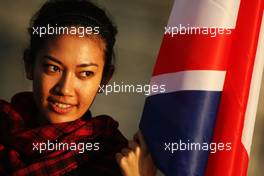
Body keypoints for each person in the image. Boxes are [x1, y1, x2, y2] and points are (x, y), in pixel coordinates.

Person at [0, 0, 156, 175]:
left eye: (85, 73)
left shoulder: (116, 162)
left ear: (104, 79)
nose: (65, 89)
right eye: (53, 68)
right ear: (29, 65)